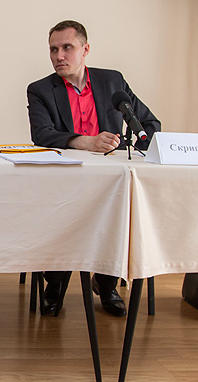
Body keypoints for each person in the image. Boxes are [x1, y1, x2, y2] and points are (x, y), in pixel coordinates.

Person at [27, 20, 160, 317]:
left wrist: (125, 144)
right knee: (62, 215)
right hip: (64, 180)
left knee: (120, 211)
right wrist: (87, 142)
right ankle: (55, 282)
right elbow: (42, 134)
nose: (59, 56)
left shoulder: (112, 81)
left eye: (67, 48)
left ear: (85, 49)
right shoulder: (40, 89)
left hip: (109, 180)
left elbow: (150, 125)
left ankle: (106, 282)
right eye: (53, 49)